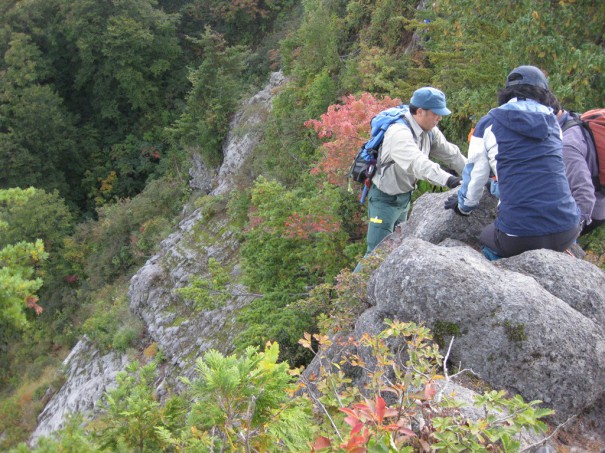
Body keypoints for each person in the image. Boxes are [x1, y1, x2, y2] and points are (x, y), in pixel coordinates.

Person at [445, 65, 581, 259]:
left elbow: (475, 176)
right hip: (567, 230)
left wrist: (463, 206)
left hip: (520, 235)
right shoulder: (554, 123)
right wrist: (495, 186)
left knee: (486, 238)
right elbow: (541, 175)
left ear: (507, 93)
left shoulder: (489, 123)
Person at [362, 86, 467, 255]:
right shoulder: (398, 133)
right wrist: (450, 180)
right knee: (376, 253)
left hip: (404, 198)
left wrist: (477, 174)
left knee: (395, 249)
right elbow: (418, 164)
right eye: (435, 113)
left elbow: (452, 154)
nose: (439, 118)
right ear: (419, 112)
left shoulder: (430, 131)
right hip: (384, 200)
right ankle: (353, 283)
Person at [549, 95, 605, 235]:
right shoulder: (573, 118)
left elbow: (585, 195)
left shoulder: (567, 144)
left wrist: (569, 234)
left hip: (592, 210)